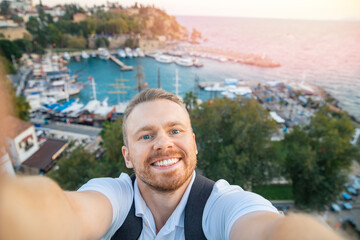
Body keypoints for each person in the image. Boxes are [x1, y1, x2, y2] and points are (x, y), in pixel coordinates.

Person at [0, 88, 343, 240]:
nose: (163, 142)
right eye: (146, 135)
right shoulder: (113, 197)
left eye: (175, 130)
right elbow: (68, 213)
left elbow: (268, 230)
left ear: (193, 143)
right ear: (127, 157)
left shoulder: (222, 205)